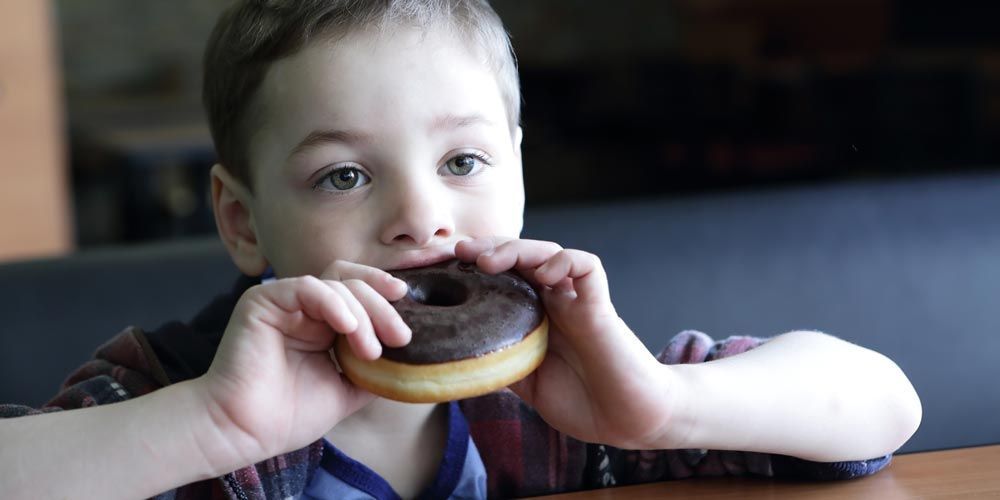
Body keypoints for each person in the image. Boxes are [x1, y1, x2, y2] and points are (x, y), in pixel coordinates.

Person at [0, 1, 922, 498]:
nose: (422, 218)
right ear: (241, 221)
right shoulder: (180, 395)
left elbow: (884, 406)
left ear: (519, 171)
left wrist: (665, 408)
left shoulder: (568, 398)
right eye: (344, 176)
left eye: (462, 160)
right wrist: (207, 427)